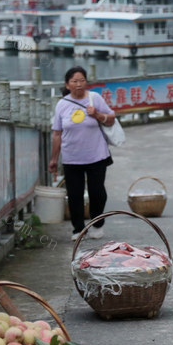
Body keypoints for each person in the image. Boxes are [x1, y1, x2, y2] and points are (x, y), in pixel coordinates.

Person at [49, 66, 116, 241]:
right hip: (71, 157)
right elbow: (57, 133)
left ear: (86, 82)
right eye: (74, 81)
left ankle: (97, 224)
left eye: (82, 80)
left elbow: (111, 119)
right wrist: (54, 159)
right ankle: (78, 228)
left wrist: (97, 114)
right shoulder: (62, 104)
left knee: (97, 192)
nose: (79, 84)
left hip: (96, 155)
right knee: (74, 194)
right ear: (67, 85)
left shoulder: (95, 98)